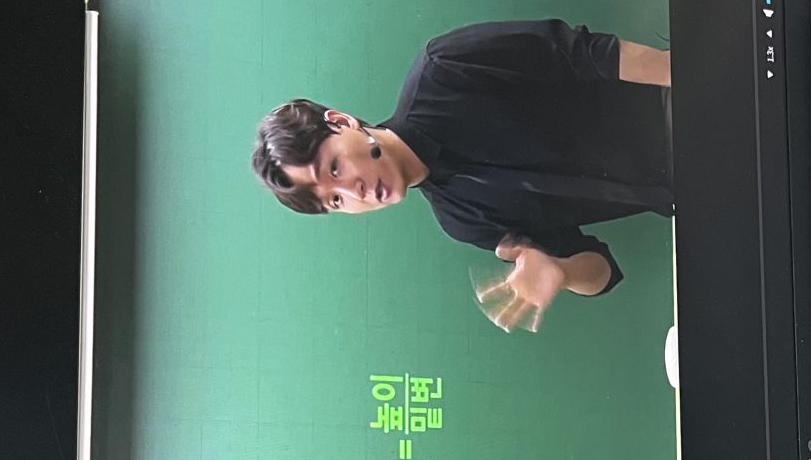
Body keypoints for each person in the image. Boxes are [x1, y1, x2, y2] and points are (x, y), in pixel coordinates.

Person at [252, 19, 673, 331]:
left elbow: (583, 52)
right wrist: (562, 273)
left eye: (335, 167)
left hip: (678, 101)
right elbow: (602, 271)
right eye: (336, 200)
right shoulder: (462, 221)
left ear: (342, 122)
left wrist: (689, 81)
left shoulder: (443, 68)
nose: (354, 191)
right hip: (687, 194)